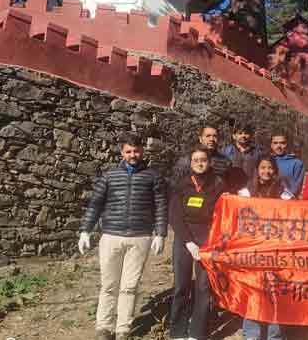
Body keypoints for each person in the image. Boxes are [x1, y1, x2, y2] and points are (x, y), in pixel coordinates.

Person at [78, 133, 167, 340]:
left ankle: (123, 329)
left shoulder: (153, 176)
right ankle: (104, 328)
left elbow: (161, 206)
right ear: (122, 152)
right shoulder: (109, 176)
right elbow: (95, 204)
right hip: (110, 236)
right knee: (109, 285)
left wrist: (160, 233)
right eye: (128, 151)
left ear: (142, 151)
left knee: (129, 286)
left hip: (140, 238)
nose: (133, 155)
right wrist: (85, 230)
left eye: (136, 151)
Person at [168, 146, 228, 340]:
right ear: (190, 163)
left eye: (203, 160)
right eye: (196, 160)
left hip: (208, 237)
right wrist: (188, 242)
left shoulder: (219, 183)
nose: (200, 163)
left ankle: (197, 334)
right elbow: (175, 216)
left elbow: (224, 213)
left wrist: (214, 239)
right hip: (184, 238)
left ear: (209, 162)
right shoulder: (181, 184)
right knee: (181, 286)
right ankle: (178, 332)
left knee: (203, 287)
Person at [238, 157, 291, 340]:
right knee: (253, 293)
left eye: (270, 168)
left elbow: (294, 219)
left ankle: (274, 336)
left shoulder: (285, 194)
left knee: (275, 295)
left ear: (275, 171)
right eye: (263, 167)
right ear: (256, 170)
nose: (266, 171)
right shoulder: (244, 193)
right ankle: (252, 335)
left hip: (276, 252)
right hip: (252, 253)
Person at [200, 125, 245, 193]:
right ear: (200, 139)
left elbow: (230, 186)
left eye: (215, 136)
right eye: (208, 136)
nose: (211, 139)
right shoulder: (189, 160)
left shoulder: (225, 161)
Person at [270, 131, 305, 196]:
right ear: (271, 145)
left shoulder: (296, 163)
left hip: (287, 202)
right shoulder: (266, 161)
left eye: (282, 143)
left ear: (287, 144)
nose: (279, 146)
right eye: (275, 143)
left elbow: (296, 188)